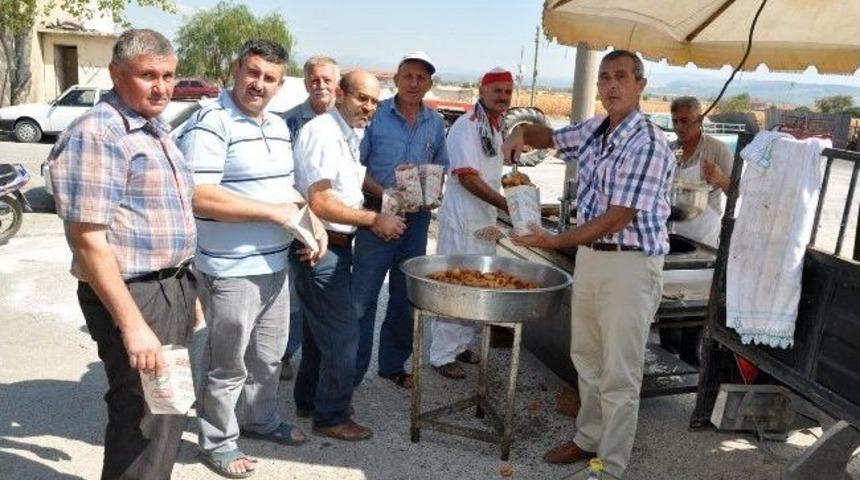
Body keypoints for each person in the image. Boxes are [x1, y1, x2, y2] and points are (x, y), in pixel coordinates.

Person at [501, 49, 675, 478]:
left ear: (640, 85)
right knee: (587, 358)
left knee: (619, 372)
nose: (611, 85)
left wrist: (556, 240)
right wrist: (521, 131)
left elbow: (618, 216)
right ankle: (587, 437)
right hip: (594, 262)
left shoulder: (648, 143)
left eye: (621, 77)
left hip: (629, 267)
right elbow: (552, 139)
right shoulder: (597, 129)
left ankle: (610, 465)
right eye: (605, 78)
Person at [46, 28, 198, 480]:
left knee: (167, 408)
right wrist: (134, 327)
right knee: (142, 416)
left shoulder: (154, 127)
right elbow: (89, 241)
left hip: (169, 287)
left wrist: (187, 291)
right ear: (116, 74)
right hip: (134, 295)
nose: (162, 86)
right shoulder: (99, 133)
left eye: (169, 75)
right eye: (148, 75)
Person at [177, 40, 325, 478]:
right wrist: (272, 212)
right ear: (236, 69)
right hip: (230, 268)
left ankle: (259, 419)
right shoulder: (211, 122)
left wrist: (310, 222)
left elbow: (284, 190)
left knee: (268, 356)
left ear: (281, 85)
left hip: (274, 265)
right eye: (253, 72)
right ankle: (217, 441)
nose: (258, 84)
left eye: (270, 78)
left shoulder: (278, 127)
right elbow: (200, 196)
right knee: (227, 363)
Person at [291, 70, 406, 441]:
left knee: (316, 333)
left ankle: (310, 400)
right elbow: (321, 201)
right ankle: (331, 415)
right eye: (362, 98)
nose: (369, 107)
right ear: (340, 93)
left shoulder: (346, 134)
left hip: (336, 246)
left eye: (374, 101)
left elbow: (347, 187)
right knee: (344, 336)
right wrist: (374, 219)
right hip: (320, 249)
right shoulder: (324, 133)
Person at [352, 51, 449, 389]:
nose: (413, 83)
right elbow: (356, 169)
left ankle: (392, 364)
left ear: (429, 84)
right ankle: (351, 373)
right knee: (362, 298)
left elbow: (441, 164)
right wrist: (385, 196)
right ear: (396, 79)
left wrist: (432, 190)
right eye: (407, 76)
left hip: (417, 220)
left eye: (421, 78)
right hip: (377, 214)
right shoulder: (375, 116)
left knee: (405, 296)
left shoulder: (435, 123)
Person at [428, 67, 513, 380]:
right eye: (497, 91)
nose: (502, 97)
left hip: (483, 217)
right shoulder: (468, 125)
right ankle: (441, 355)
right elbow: (466, 177)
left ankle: (460, 345)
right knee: (455, 283)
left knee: (475, 282)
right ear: (482, 91)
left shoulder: (495, 125)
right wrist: (507, 205)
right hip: (463, 217)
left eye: (507, 92)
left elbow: (488, 173)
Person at [279, 56, 341, 381]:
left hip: (336, 225)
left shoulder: (345, 125)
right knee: (293, 291)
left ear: (337, 84)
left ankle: (316, 362)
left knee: (325, 295)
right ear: (305, 83)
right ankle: (285, 353)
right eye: (314, 80)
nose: (321, 86)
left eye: (327, 80)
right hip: (298, 220)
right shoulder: (287, 123)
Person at [669, 95, 733, 248]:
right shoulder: (669, 149)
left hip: (703, 235)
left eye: (684, 121)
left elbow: (736, 194)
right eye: (675, 121)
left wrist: (721, 178)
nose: (679, 127)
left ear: (699, 121)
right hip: (672, 232)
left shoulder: (717, 149)